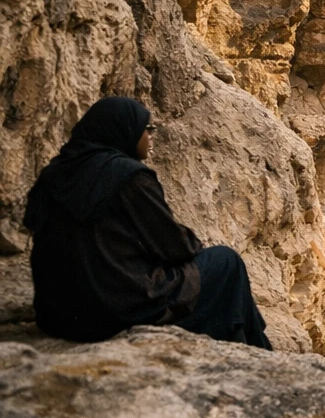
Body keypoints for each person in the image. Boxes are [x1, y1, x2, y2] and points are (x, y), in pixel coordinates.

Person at [23, 97, 271, 348]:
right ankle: (259, 351)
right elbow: (174, 247)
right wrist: (191, 241)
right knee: (227, 261)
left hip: (59, 315)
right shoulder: (129, 177)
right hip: (116, 311)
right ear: (125, 130)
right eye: (147, 128)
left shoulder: (53, 173)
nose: (151, 135)